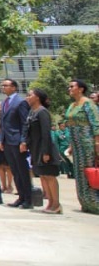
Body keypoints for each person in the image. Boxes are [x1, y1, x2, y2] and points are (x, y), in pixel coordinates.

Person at [21, 88, 62, 214]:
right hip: (35, 148)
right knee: (43, 176)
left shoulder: (42, 112)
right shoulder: (31, 112)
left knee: (49, 176)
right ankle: (50, 202)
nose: (27, 97)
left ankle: (56, 204)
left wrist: (46, 152)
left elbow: (46, 133)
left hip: (44, 148)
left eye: (30, 95)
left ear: (37, 97)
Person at [64, 79, 99, 214]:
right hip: (77, 144)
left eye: (72, 86)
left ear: (81, 89)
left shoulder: (88, 104)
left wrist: (97, 144)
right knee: (79, 173)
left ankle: (94, 202)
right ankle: (85, 202)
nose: (69, 89)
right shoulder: (72, 105)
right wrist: (71, 145)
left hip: (87, 143)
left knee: (90, 172)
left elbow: (96, 124)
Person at [0, 79, 32, 209]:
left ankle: (28, 199)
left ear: (14, 87)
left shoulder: (21, 102)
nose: (3, 87)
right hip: (7, 141)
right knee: (15, 170)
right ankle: (21, 197)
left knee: (22, 170)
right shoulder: (5, 102)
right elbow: (2, 123)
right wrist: (1, 140)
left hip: (17, 140)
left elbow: (25, 123)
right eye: (3, 85)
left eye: (6, 85)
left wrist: (24, 140)